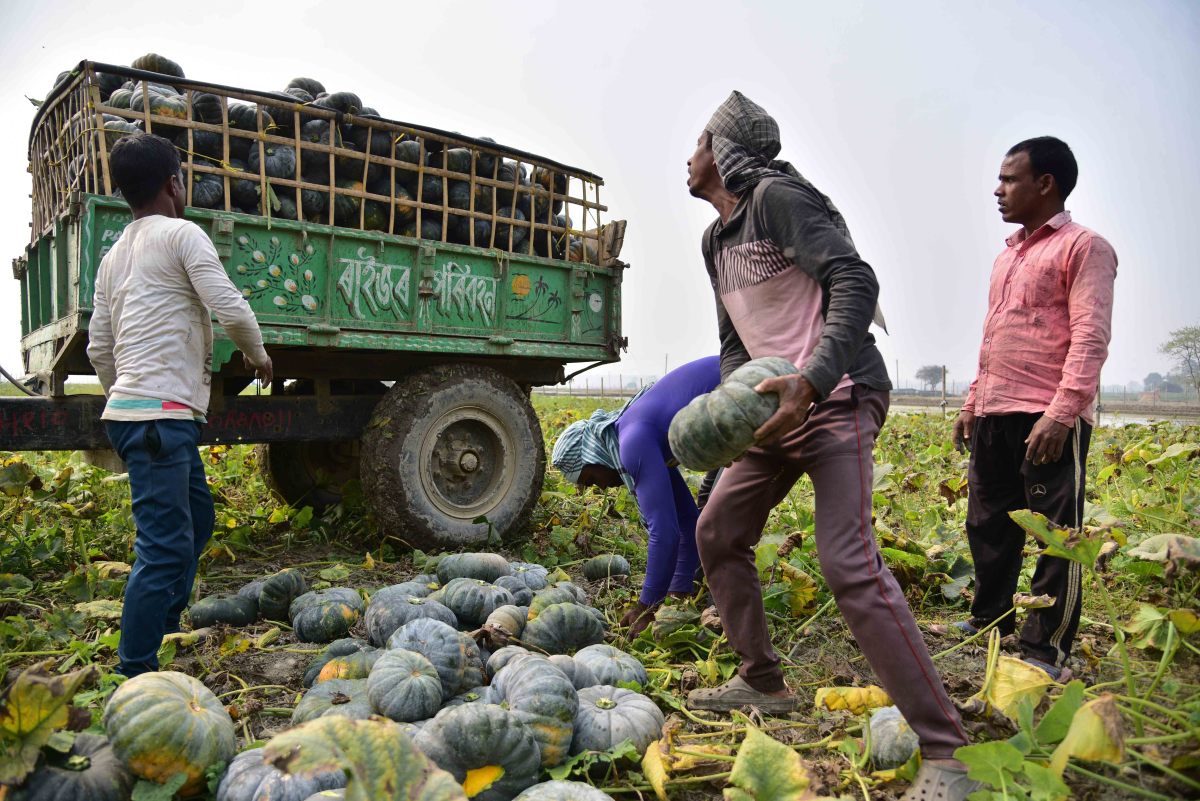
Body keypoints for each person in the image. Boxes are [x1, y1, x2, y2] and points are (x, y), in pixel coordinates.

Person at [682, 91, 976, 801]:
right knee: (718, 530)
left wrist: (811, 381)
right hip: (769, 411)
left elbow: (854, 277)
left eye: (697, 142)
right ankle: (762, 679)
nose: (687, 156)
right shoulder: (715, 241)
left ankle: (948, 750)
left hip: (835, 394)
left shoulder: (778, 200)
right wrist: (731, 416)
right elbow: (735, 346)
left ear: (723, 152)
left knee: (847, 562)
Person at [87, 133, 273, 677]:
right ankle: (135, 671)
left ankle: (166, 624)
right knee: (163, 549)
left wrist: (123, 398)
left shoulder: (113, 257)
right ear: (174, 183)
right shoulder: (183, 235)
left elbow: (101, 347)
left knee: (197, 519)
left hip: (144, 416)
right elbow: (230, 308)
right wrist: (258, 357)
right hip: (157, 419)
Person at [953, 137, 1117, 680]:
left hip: (1045, 413)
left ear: (1044, 184)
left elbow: (1090, 337)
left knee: (1056, 534)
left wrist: (1062, 412)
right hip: (996, 410)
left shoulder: (1084, 247)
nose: (998, 190)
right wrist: (973, 402)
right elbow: (993, 335)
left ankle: (1046, 648)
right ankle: (989, 619)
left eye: (1009, 179)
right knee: (989, 524)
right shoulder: (1008, 254)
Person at [551, 356, 721, 636]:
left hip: (743, 390)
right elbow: (688, 523)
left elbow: (664, 532)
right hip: (733, 397)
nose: (601, 488)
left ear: (593, 456)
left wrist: (647, 605)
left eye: (591, 479)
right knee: (707, 520)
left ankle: (732, 625)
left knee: (724, 525)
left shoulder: (633, 442)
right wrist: (677, 597)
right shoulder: (636, 433)